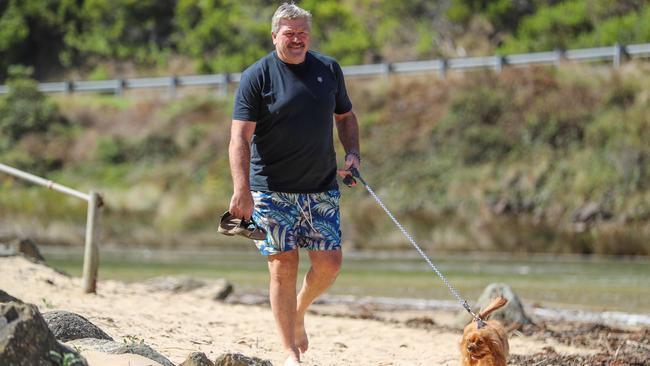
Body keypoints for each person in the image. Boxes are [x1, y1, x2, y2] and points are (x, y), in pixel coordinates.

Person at [227, 2, 361, 365]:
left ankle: (298, 311)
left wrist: (352, 154)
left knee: (330, 263)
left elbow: (345, 116)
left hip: (321, 187)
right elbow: (240, 138)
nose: (297, 38)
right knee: (283, 265)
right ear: (275, 37)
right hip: (271, 189)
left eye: (302, 32)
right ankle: (289, 352)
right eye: (290, 33)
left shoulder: (328, 69)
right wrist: (241, 190)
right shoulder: (258, 76)